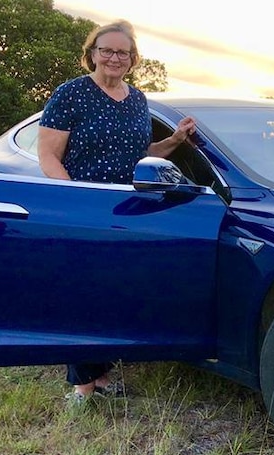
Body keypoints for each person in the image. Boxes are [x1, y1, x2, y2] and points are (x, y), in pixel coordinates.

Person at [37, 19, 195, 404]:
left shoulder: (139, 100)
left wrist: (173, 141)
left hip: (130, 209)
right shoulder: (71, 94)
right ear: (91, 53)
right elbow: (48, 155)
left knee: (113, 290)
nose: (113, 57)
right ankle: (82, 386)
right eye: (105, 49)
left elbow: (142, 154)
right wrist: (76, 199)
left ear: (132, 59)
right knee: (83, 292)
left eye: (122, 52)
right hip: (86, 207)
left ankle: (102, 376)